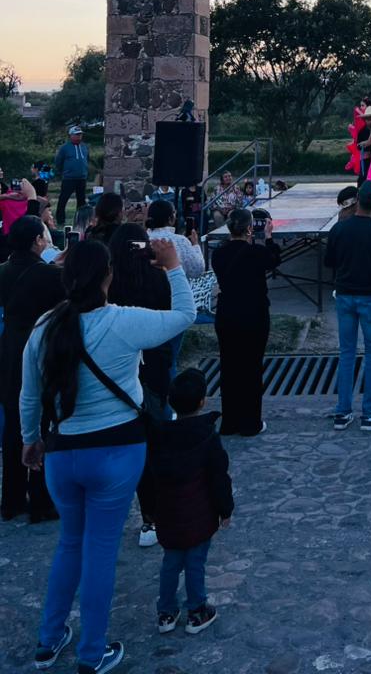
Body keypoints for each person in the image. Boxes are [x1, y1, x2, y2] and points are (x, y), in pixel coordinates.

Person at [20, 235, 195, 674]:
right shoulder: (123, 322)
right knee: (99, 550)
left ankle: (49, 639)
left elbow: (28, 395)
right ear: (108, 276)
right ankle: (92, 652)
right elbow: (185, 316)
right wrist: (173, 265)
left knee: (70, 545)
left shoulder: (44, 328)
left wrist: (30, 440)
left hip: (63, 451)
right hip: (117, 451)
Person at [107, 223, 178, 548]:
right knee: (156, 442)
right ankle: (154, 516)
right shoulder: (158, 278)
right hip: (155, 366)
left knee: (123, 444)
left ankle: (119, 509)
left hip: (119, 371)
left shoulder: (109, 284)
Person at [150, 368, 234, 636]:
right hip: (200, 515)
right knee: (195, 563)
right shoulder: (208, 437)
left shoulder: (160, 437)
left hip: (168, 516)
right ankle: (197, 610)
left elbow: (150, 478)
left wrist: (150, 511)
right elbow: (219, 477)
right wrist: (225, 510)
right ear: (202, 402)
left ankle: (166, 612)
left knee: (170, 563)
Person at [0, 215, 63, 522]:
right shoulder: (49, 276)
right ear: (39, 241)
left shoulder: (2, 272)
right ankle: (41, 499)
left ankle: (11, 499)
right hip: (41, 347)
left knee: (14, 421)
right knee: (44, 419)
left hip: (10, 349)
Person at [324, 180, 371, 432]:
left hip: (344, 296)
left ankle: (343, 411)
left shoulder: (339, 229)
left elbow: (329, 261)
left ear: (357, 199)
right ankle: (370, 413)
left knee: (346, 353)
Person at [211, 207, 279, 437]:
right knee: (251, 367)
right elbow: (274, 260)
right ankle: (250, 422)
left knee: (229, 367)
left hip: (226, 314)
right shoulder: (256, 253)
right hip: (253, 314)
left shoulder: (218, 254)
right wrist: (268, 237)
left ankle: (229, 422)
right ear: (250, 228)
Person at [145, 200, 205, 278]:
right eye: (174, 213)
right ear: (170, 219)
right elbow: (197, 270)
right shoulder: (180, 241)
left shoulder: (142, 239)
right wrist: (195, 245)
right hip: (176, 287)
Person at [53, 125, 90, 225]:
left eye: (80, 135)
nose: (79, 137)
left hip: (82, 178)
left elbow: (87, 159)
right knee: (63, 199)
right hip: (69, 178)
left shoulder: (84, 147)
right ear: (71, 135)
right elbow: (58, 162)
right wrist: (63, 172)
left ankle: (80, 221)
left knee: (81, 201)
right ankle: (60, 220)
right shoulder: (64, 148)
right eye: (77, 135)